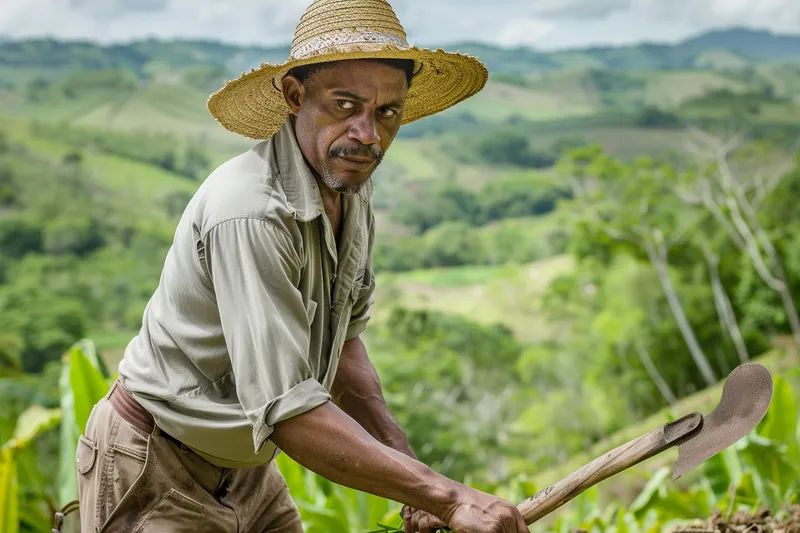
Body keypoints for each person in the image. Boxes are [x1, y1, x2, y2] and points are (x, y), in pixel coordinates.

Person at [75, 0, 529, 532]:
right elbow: (288, 411)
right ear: (295, 96)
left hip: (247, 470)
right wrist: (452, 499)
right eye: (345, 104)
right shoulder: (251, 212)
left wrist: (415, 480)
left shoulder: (348, 187)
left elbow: (342, 348)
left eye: (387, 112)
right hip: (156, 462)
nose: (368, 135)